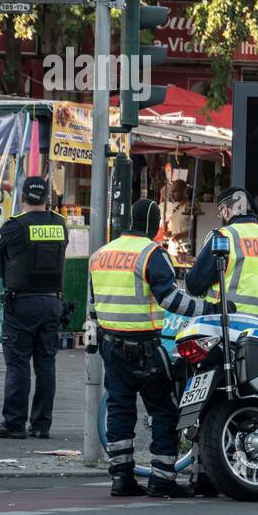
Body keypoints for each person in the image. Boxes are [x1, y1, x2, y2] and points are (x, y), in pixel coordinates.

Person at [90, 199, 221, 498]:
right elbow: (171, 300)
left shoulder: (100, 254)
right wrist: (209, 308)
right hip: (145, 349)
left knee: (119, 412)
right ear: (152, 225)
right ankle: (162, 478)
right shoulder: (152, 254)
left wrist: (94, 338)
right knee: (164, 411)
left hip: (110, 346)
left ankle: (121, 479)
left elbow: (92, 305)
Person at [0, 176, 68, 440]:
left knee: (18, 363)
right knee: (46, 364)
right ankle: (42, 425)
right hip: (52, 302)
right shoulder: (60, 224)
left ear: (22, 197)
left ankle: (14, 424)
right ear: (46, 198)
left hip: (22, 303)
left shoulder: (14, 226)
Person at [186, 186, 258, 325]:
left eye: (220, 213)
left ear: (224, 209)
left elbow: (193, 285)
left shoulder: (224, 236)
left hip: (225, 330)